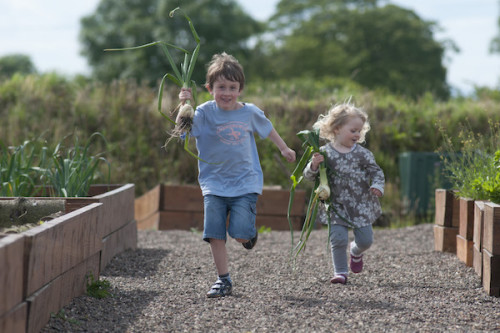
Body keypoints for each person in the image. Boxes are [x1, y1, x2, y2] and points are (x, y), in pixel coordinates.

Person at [178, 52, 296, 298]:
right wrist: (183, 105)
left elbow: (268, 128)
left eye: (233, 87)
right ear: (210, 88)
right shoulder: (203, 112)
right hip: (213, 183)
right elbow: (183, 132)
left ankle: (248, 236)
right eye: (221, 87)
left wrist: (284, 147)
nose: (227, 93)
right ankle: (223, 279)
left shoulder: (249, 112)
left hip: (245, 182)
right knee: (214, 233)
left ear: (240, 89)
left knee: (240, 233)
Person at [303, 102, 384, 285]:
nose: (357, 135)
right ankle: (340, 272)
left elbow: (376, 172)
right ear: (337, 128)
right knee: (338, 239)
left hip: (361, 204)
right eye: (353, 130)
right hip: (336, 205)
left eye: (359, 131)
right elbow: (308, 176)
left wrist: (378, 185)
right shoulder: (324, 153)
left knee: (366, 240)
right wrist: (314, 165)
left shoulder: (362, 154)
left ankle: (355, 252)